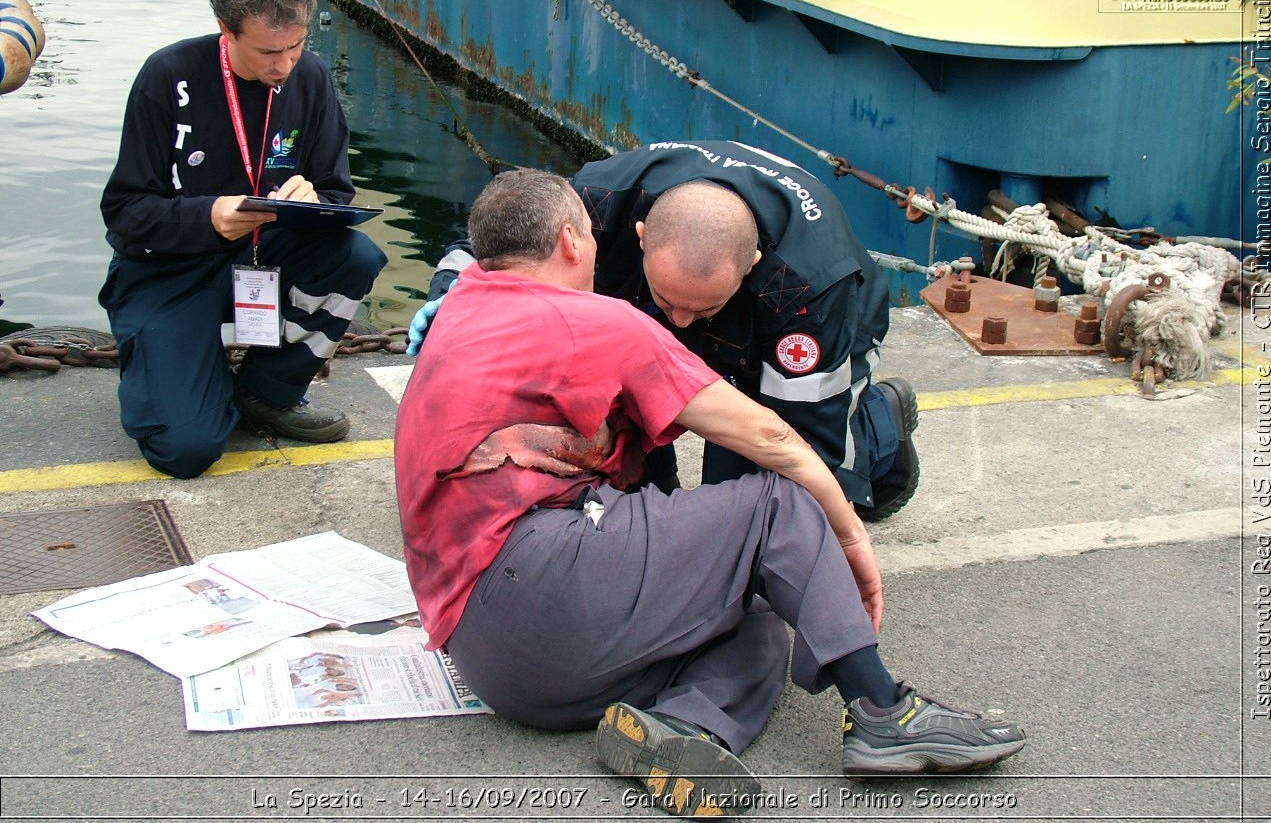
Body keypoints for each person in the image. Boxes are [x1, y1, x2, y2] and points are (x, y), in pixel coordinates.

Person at [396, 169, 1025, 817]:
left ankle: (688, 728)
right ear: (570, 240)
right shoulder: (594, 320)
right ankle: (885, 712)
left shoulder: (462, 303)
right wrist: (851, 542)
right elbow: (775, 442)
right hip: (545, 585)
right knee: (776, 504)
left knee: (753, 618)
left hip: (501, 666)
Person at [413, 140, 917, 520]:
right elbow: (496, 248)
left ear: (752, 266)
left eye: (699, 311)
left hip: (789, 341)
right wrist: (452, 297)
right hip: (678, 295)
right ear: (640, 238)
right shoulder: (598, 202)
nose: (679, 325)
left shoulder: (808, 289)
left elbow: (804, 440)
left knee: (750, 497)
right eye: (667, 301)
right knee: (625, 465)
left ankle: (882, 429)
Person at [98, 0, 387, 479]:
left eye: (297, 45)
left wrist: (317, 204)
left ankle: (266, 391)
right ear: (224, 30)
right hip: (168, 270)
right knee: (184, 451)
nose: (284, 65)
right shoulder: (168, 76)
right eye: (267, 51)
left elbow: (336, 194)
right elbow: (123, 213)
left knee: (356, 255)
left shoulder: (310, 78)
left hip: (264, 253)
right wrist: (207, 216)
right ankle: (175, 370)